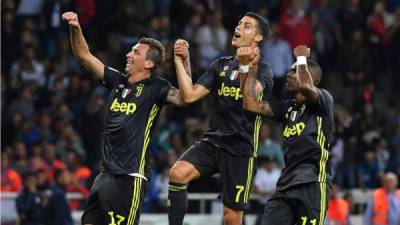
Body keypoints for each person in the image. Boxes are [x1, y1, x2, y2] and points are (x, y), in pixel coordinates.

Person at [62, 11, 186, 225]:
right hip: (104, 176)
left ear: (148, 64)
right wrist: (75, 26)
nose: (129, 54)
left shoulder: (157, 88)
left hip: (130, 177)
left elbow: (185, 98)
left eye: (136, 52)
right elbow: (84, 56)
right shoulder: (117, 81)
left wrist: (183, 63)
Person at [169, 12, 273, 225]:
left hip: (241, 149)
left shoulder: (263, 69)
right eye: (239, 23)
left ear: (258, 38)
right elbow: (189, 96)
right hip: (214, 141)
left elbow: (249, 100)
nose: (239, 27)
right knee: (177, 174)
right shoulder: (221, 65)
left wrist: (245, 68)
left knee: (231, 219)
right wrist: (182, 61)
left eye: (246, 26)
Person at [242, 45, 334, 225]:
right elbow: (250, 104)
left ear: (310, 77)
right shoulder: (288, 108)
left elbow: (307, 88)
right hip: (286, 183)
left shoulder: (323, 100)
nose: (288, 74)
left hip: (313, 181)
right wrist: (250, 68)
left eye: (294, 71)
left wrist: (301, 59)